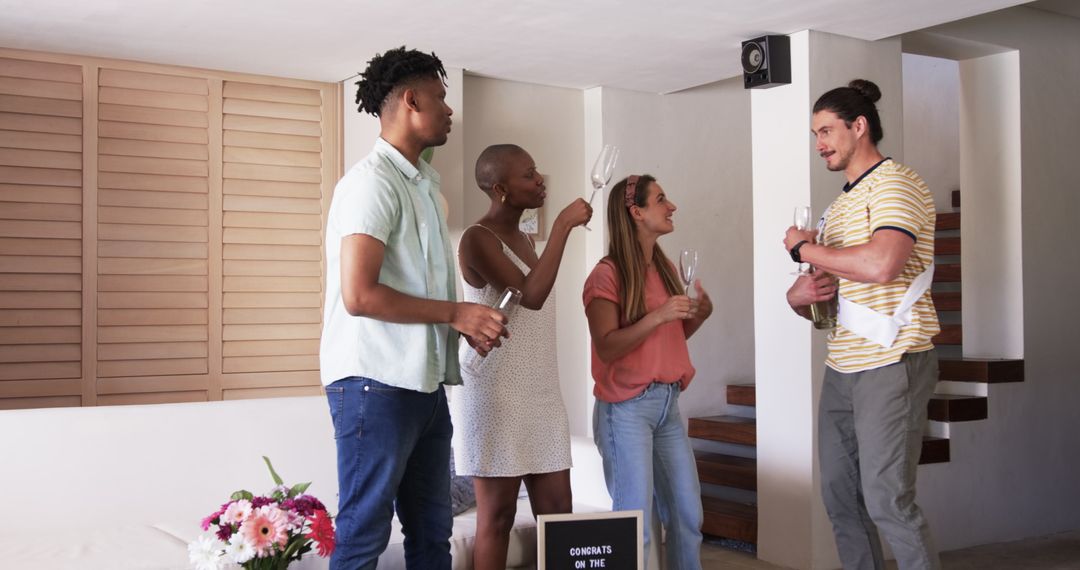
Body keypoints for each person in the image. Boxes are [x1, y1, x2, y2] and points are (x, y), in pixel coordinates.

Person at [319, 46, 507, 570]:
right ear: (410, 101)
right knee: (363, 533)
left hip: (423, 386)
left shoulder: (424, 186)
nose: (449, 110)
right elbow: (360, 295)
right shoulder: (370, 184)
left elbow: (409, 286)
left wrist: (462, 324)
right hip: (373, 384)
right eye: (440, 98)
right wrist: (456, 314)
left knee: (432, 534)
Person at [784, 79, 941, 570]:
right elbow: (828, 301)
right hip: (842, 364)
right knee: (840, 497)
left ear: (859, 126)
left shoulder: (896, 184)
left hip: (893, 358)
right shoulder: (838, 207)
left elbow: (882, 265)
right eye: (815, 135)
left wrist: (803, 248)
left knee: (887, 499)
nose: (819, 144)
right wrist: (798, 297)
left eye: (826, 131)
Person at [452, 144, 593, 569]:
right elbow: (530, 296)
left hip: (541, 393)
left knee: (559, 514)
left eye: (536, 172)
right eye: (528, 175)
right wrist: (563, 225)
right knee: (497, 518)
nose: (539, 181)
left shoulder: (527, 240)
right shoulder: (477, 239)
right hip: (497, 394)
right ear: (500, 189)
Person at [583, 174, 713, 569]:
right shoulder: (606, 275)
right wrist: (659, 315)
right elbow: (607, 346)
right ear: (636, 212)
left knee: (689, 516)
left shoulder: (664, 268)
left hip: (667, 406)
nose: (671, 206)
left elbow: (668, 339)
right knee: (633, 526)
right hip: (626, 411)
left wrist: (699, 315)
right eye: (660, 199)